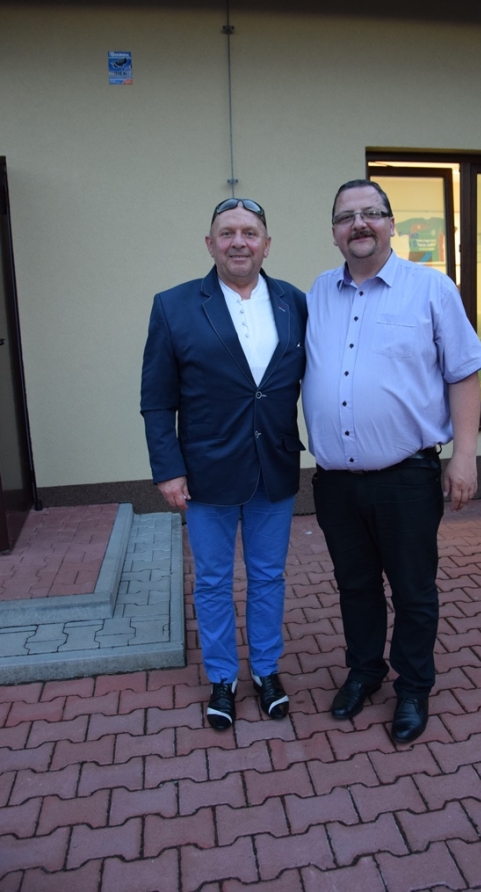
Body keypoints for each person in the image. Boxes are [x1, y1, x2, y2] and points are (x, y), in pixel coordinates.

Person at [302, 179, 481, 744]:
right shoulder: (317, 293)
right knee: (355, 586)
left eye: (371, 213)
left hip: (407, 476)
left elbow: (464, 374)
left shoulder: (431, 288)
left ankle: (413, 686)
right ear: (334, 232)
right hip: (336, 482)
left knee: (413, 589)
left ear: (391, 224)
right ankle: (365, 673)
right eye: (346, 217)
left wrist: (465, 456)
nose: (359, 224)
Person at [141, 198, 307, 731]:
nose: (240, 241)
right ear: (210, 243)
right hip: (206, 473)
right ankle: (221, 678)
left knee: (268, 577)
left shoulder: (295, 302)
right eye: (228, 232)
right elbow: (156, 400)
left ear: (267, 244)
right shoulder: (174, 306)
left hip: (273, 468)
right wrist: (168, 469)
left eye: (250, 232)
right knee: (213, 581)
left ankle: (266, 671)